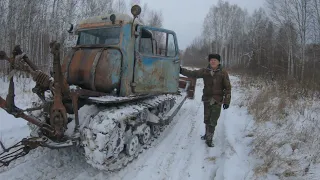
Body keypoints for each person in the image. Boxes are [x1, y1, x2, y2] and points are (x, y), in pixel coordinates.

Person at [180, 54, 231, 147]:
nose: (213, 61)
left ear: (218, 62)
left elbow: (228, 88)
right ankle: (207, 134)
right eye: (211, 60)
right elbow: (193, 73)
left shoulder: (223, 73)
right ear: (209, 61)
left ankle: (209, 139)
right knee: (207, 119)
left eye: (215, 60)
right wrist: (181, 70)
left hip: (217, 100)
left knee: (213, 120)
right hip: (207, 99)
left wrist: (227, 101)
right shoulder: (205, 71)